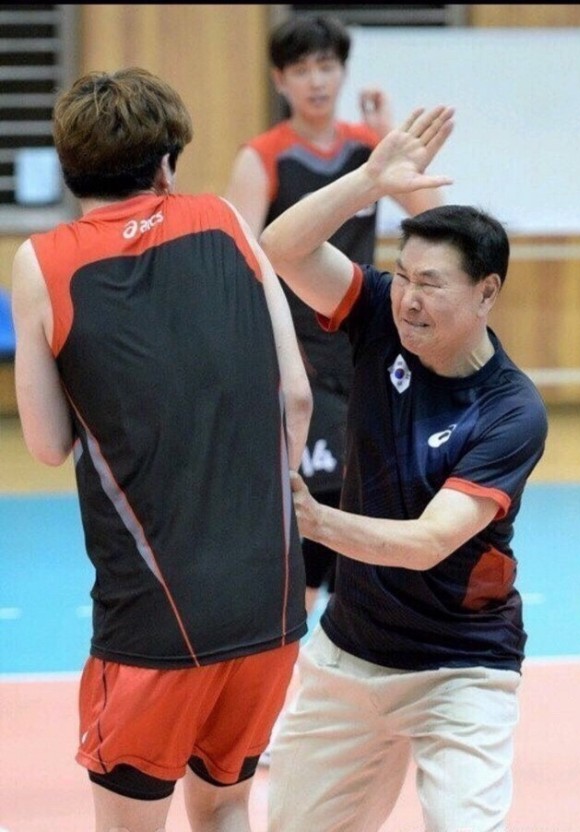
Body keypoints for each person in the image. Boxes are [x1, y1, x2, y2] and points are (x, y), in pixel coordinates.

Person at [11, 67, 312, 832]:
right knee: (227, 807)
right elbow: (297, 398)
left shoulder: (42, 261)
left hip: (153, 618)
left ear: (70, 167)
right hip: (269, 594)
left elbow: (46, 443)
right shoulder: (227, 221)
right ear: (167, 164)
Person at [260, 105, 549, 832]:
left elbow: (427, 543)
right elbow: (282, 247)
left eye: (432, 283)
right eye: (403, 274)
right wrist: (368, 181)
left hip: (461, 668)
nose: (410, 299)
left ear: (487, 292)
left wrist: (314, 521)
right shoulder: (381, 313)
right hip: (351, 652)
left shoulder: (511, 411)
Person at [225, 13, 444, 617]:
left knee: (370, 498)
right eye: (301, 70)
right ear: (280, 80)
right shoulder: (263, 157)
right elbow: (241, 264)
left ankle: (357, 639)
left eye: (327, 66)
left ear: (344, 72)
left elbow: (437, 220)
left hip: (365, 345)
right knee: (311, 510)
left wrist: (388, 136)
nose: (316, 81)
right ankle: (287, 638)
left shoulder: (367, 148)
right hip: (298, 353)